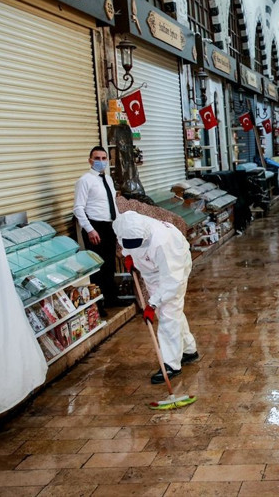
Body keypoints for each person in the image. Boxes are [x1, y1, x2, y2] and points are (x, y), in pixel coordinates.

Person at [113, 211, 198, 384]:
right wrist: (129, 256)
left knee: (168, 313)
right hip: (150, 270)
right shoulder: (124, 224)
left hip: (174, 269)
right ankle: (189, 350)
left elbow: (171, 282)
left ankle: (171, 364)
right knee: (169, 314)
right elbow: (126, 241)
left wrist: (151, 305)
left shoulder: (163, 242)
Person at [73, 146, 125, 315]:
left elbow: (112, 205)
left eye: (104, 158)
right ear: (90, 160)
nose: (100, 161)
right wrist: (89, 229)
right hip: (95, 228)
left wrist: (119, 225)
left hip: (109, 226)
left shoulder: (108, 180)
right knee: (96, 267)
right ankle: (98, 304)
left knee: (109, 265)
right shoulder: (85, 180)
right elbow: (78, 208)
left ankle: (111, 298)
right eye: (97, 158)